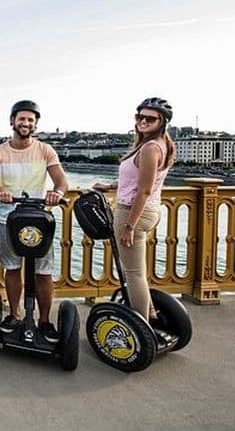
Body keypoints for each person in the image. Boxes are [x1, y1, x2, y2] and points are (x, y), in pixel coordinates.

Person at [0, 100, 68, 343]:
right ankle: (14, 314)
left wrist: (57, 193)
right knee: (12, 268)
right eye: (22, 118)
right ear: (12, 121)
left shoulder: (45, 150)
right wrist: (0, 191)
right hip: (8, 218)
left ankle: (44, 320)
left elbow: (61, 181)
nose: (26, 123)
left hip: (39, 219)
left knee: (43, 271)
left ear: (35, 124)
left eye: (31, 120)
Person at [93, 97, 176, 322]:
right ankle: (150, 313)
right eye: (140, 117)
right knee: (138, 270)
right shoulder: (161, 144)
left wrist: (129, 226)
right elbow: (139, 181)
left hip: (132, 212)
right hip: (150, 211)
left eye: (150, 118)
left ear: (162, 122)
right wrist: (111, 186)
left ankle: (141, 325)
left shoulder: (150, 148)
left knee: (134, 274)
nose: (143, 121)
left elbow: (144, 190)